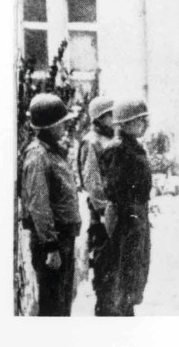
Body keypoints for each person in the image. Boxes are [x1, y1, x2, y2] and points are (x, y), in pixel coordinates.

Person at [20, 94, 82, 316]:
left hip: (61, 239)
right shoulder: (38, 156)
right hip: (52, 242)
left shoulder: (51, 150)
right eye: (62, 123)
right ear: (50, 126)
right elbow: (39, 204)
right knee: (53, 307)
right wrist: (50, 247)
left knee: (62, 304)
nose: (66, 126)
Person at [99, 98, 153, 316]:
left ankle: (127, 310)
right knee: (124, 273)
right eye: (140, 120)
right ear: (125, 123)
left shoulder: (132, 147)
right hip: (125, 217)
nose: (145, 124)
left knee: (135, 272)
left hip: (135, 214)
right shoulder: (117, 149)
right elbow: (114, 189)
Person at [77, 96, 114, 315]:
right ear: (100, 118)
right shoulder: (92, 141)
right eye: (111, 115)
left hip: (112, 213)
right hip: (102, 217)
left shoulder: (109, 139)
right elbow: (93, 182)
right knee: (105, 272)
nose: (115, 118)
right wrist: (105, 211)